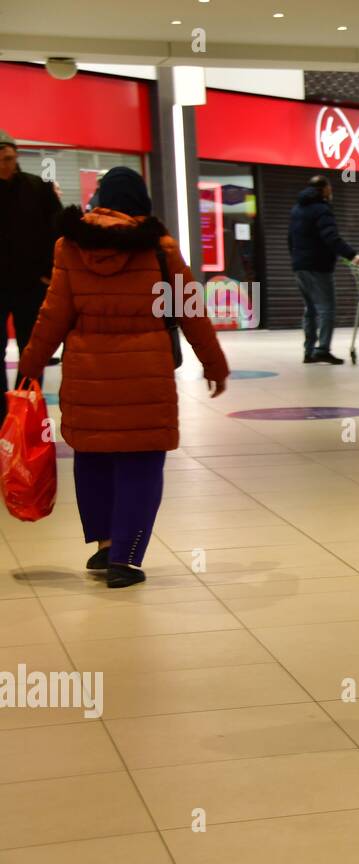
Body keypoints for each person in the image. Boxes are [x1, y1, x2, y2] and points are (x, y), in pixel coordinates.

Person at [16, 167, 229, 588]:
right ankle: (126, 560)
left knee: (93, 454)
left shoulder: (70, 246)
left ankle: (106, 545)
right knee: (141, 461)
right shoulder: (160, 249)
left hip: (87, 373)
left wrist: (32, 362)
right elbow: (190, 310)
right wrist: (214, 363)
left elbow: (52, 313)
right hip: (145, 376)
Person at [0, 128, 61, 400]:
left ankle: (25, 405)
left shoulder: (37, 188)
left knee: (32, 349)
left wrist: (49, 273)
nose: (6, 164)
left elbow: (59, 231)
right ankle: (2, 413)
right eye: (1, 159)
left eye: (10, 158)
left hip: (31, 284)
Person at [288, 174, 359, 365]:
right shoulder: (322, 209)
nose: (331, 192)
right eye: (330, 188)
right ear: (323, 189)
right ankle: (322, 349)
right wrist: (352, 255)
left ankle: (309, 350)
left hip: (300, 266)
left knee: (310, 309)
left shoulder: (297, 209)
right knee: (326, 308)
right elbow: (330, 237)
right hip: (318, 266)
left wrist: (297, 259)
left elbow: (290, 239)